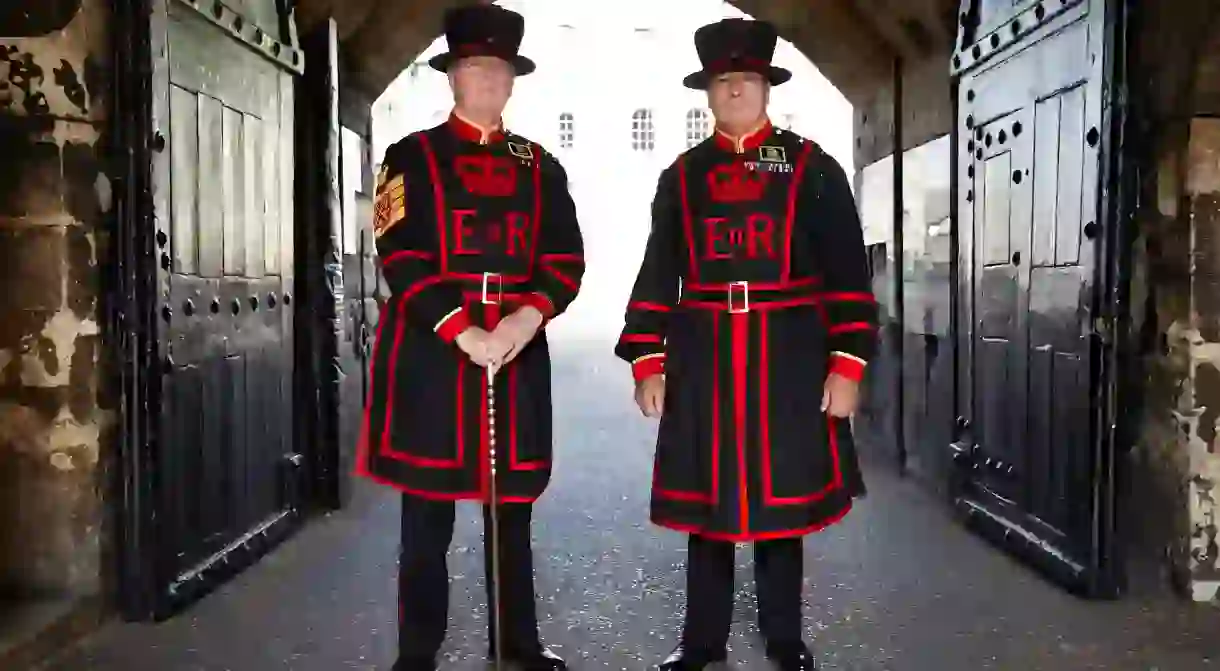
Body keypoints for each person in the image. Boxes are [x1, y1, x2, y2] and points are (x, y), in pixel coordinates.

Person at [614, 17, 876, 671]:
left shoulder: (812, 167)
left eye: (745, 80)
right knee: (709, 511)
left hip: (789, 356)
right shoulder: (681, 177)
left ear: (765, 87)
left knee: (780, 508)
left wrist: (847, 362)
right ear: (708, 91)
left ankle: (784, 639)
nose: (734, 91)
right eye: (722, 81)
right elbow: (657, 269)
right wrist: (649, 356)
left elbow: (848, 271)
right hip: (703, 356)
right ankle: (701, 642)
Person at [356, 5, 584, 670]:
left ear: (512, 81)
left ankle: (517, 642)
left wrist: (524, 317)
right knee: (425, 522)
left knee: (510, 514)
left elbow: (565, 258)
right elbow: (397, 251)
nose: (486, 79)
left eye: (498, 70)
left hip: (514, 348)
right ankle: (416, 653)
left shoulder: (540, 165)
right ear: (452, 77)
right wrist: (461, 329)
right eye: (473, 67)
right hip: (433, 353)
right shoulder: (410, 156)